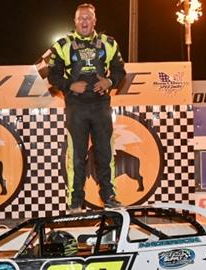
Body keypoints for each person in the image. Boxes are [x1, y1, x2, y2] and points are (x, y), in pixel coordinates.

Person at [48, 3, 126, 212]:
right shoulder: (63, 44)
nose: (84, 21)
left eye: (88, 18)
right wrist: (69, 85)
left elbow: (120, 70)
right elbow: (50, 74)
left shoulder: (108, 43)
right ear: (75, 21)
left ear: (94, 21)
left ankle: (109, 197)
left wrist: (110, 82)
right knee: (76, 155)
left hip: (101, 106)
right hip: (76, 107)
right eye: (80, 18)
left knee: (105, 153)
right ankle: (75, 201)